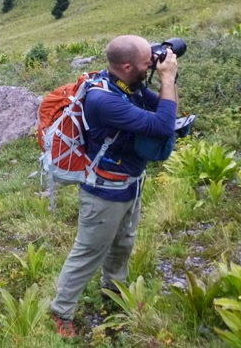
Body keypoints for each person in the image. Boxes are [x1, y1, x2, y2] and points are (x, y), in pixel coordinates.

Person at [50, 35, 178, 338]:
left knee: (123, 245)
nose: (153, 63)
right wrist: (168, 76)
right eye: (148, 61)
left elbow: (164, 109)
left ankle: (113, 291)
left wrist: (168, 79)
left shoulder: (128, 86)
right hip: (105, 193)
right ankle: (60, 312)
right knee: (88, 252)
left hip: (130, 186)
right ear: (127, 65)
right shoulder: (104, 99)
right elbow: (162, 125)